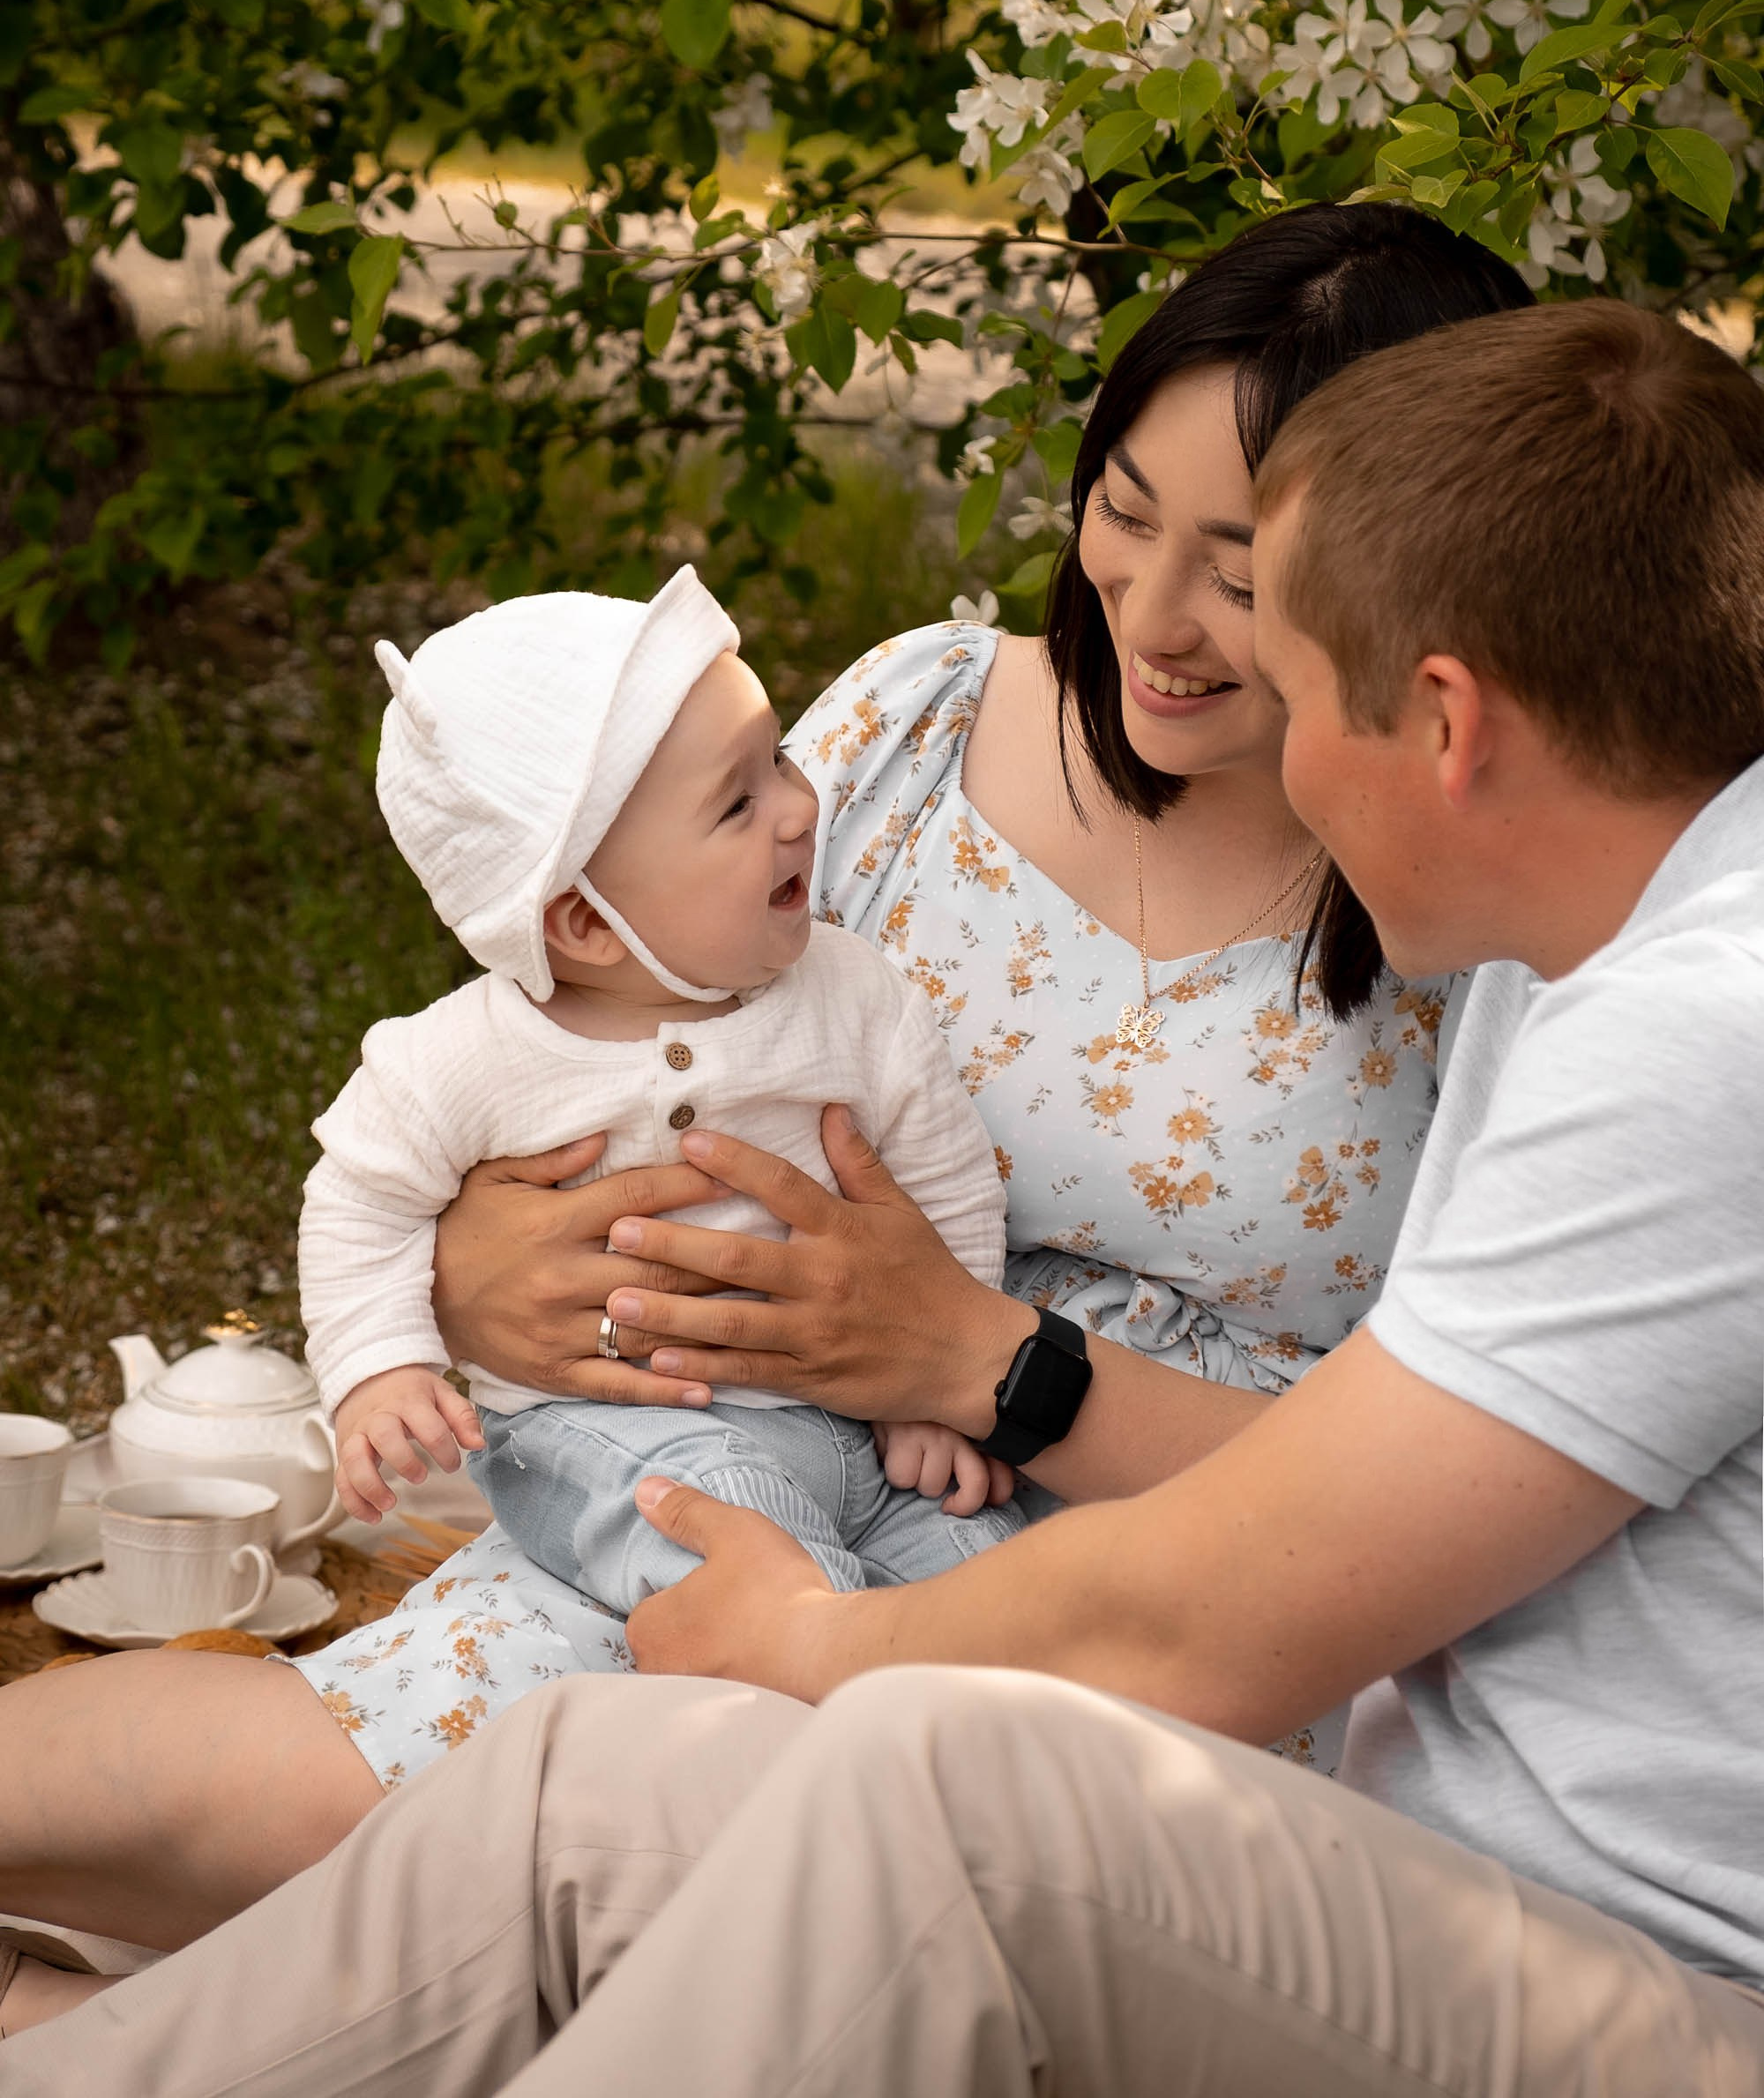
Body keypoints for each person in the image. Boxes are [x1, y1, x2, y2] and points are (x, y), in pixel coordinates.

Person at [11, 294, 1763, 2095]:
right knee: (579, 1777)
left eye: (1296, 684)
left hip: (1645, 1979)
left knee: (931, 1784)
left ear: (1450, 724)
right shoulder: (1611, 938)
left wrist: (819, 1636)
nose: (1253, 731)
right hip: (1417, 1873)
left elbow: (1207, 1622)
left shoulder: (1696, 1033)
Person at [306, 571, 1020, 1609]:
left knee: (987, 1570)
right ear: (586, 924)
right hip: (603, 1435)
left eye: (776, 757)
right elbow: (359, 1204)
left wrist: (929, 1390)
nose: (795, 807)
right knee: (735, 1527)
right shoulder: (460, 1060)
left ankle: (937, 1708)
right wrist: (379, 1366)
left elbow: (942, 1183)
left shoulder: (854, 998)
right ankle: (805, 1689)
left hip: (844, 1415)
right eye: (737, 802)